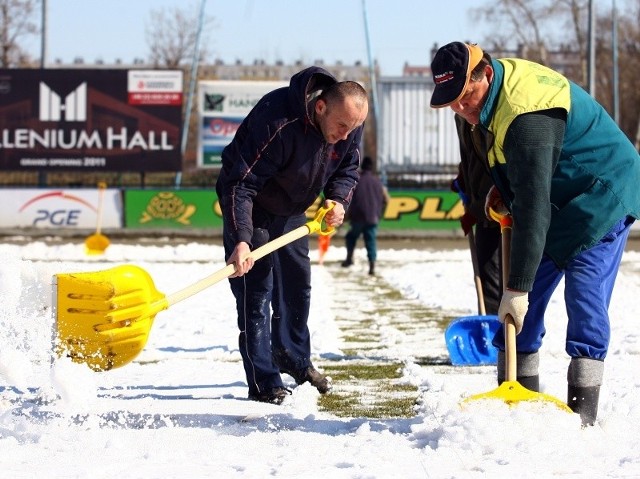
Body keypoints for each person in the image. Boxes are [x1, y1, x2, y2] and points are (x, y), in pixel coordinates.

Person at [430, 41, 640, 425]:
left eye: (466, 96)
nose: (462, 108)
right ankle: (519, 404)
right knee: (520, 310)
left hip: (600, 194)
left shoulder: (528, 115)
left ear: (486, 75)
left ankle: (582, 418)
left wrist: (516, 287)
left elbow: (534, 206)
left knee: (583, 296)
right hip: (557, 196)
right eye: (453, 102)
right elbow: (521, 177)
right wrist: (503, 189)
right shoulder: (488, 103)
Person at [216, 66, 369, 405]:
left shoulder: (349, 124)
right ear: (320, 108)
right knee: (256, 293)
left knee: (297, 287)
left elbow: (347, 167)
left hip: (293, 210)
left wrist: (338, 199)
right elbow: (240, 184)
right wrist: (241, 237)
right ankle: (264, 381)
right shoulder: (277, 120)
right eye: (342, 126)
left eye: (353, 129)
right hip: (252, 205)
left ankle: (294, 359)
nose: (346, 135)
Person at [451, 114, 502, 315]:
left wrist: (477, 208)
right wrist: (463, 177)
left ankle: (516, 338)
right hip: (481, 204)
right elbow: (470, 156)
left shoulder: (491, 112)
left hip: (502, 205)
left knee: (509, 280)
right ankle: (493, 330)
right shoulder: (461, 116)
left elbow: (496, 167)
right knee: (486, 274)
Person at [341, 156, 389, 275]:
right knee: (371, 241)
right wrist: (379, 213)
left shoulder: (357, 180)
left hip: (358, 216)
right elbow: (387, 200)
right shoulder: (378, 182)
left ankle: (349, 259)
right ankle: (372, 265)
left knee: (351, 237)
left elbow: (348, 197)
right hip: (372, 217)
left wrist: (347, 215)